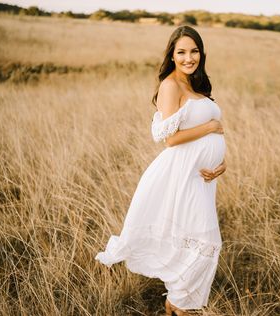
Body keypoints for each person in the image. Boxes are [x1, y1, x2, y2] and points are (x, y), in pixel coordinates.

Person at [95, 25, 227, 316]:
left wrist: (221, 163)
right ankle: (179, 304)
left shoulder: (196, 85)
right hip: (181, 176)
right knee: (205, 243)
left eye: (194, 51)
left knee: (196, 242)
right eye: (181, 52)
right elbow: (170, 139)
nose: (188, 57)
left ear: (201, 54)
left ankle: (176, 304)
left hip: (202, 178)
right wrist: (210, 127)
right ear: (172, 54)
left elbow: (209, 136)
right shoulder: (171, 85)